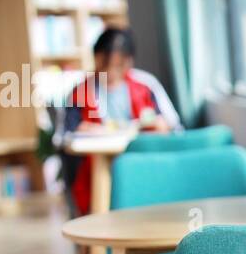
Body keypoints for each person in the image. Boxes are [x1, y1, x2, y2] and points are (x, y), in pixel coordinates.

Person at [61, 27, 182, 215]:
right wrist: (86, 129)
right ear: (96, 58)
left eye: (118, 65)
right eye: (104, 64)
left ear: (128, 61)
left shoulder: (146, 85)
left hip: (144, 162)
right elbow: (67, 134)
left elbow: (172, 124)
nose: (110, 72)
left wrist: (159, 125)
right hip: (96, 168)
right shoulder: (80, 92)